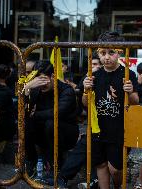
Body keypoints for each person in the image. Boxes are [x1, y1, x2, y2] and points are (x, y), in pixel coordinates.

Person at [82, 31, 139, 189]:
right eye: (102, 53)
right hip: (98, 129)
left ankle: (120, 185)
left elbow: (136, 101)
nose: (106, 57)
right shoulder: (93, 76)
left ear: (120, 52)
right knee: (100, 165)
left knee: (115, 169)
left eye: (111, 52)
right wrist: (86, 90)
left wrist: (130, 91)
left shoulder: (128, 74)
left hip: (119, 130)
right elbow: (85, 103)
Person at [24, 60, 79, 180]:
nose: (41, 84)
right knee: (25, 123)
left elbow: (57, 112)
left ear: (53, 76)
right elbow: (23, 113)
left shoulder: (66, 90)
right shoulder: (36, 88)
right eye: (37, 81)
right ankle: (31, 162)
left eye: (44, 80)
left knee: (51, 123)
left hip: (66, 133)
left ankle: (56, 167)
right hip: (44, 132)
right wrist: (27, 89)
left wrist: (35, 114)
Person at [56, 54, 103, 189]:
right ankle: (63, 177)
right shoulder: (88, 78)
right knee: (85, 145)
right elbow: (84, 103)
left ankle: (95, 181)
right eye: (93, 64)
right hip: (95, 124)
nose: (96, 67)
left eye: (98, 64)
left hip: (113, 125)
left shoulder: (111, 76)